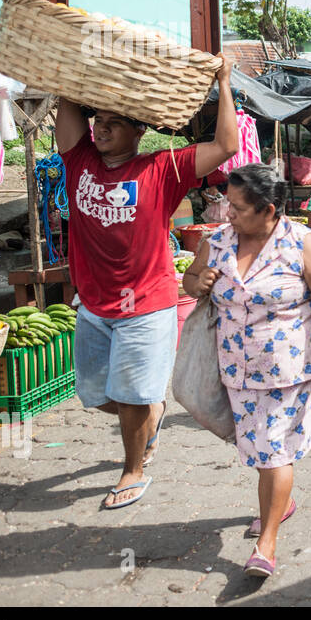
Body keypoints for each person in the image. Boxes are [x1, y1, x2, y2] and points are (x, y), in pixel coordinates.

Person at [54, 56, 239, 508]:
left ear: (139, 131)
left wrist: (225, 81)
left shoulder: (162, 168)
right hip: (93, 304)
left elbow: (227, 146)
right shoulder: (78, 159)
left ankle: (132, 470)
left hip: (147, 302)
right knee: (95, 395)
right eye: (99, 120)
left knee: (133, 397)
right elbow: (64, 100)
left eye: (114, 123)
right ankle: (150, 413)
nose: (101, 128)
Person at [183, 164, 311, 578]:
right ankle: (281, 504)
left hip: (289, 371)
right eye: (229, 202)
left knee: (274, 451)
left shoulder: (302, 244)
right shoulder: (218, 242)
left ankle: (267, 544)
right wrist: (198, 281)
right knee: (261, 450)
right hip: (236, 371)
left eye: (239, 208)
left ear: (270, 210)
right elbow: (189, 281)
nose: (229, 213)